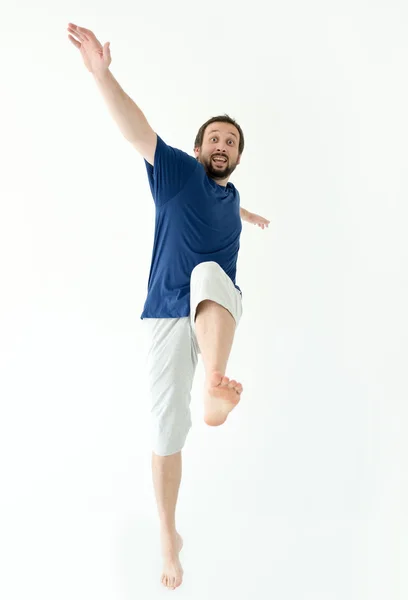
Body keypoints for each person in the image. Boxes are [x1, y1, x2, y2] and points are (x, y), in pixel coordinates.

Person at [68, 22, 270, 591]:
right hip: (163, 313)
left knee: (209, 274)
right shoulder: (178, 173)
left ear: (237, 157)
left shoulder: (230, 199)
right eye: (216, 138)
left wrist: (247, 215)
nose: (223, 146)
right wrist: (103, 77)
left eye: (232, 142)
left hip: (215, 311)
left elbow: (228, 214)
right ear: (200, 145)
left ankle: (214, 384)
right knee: (164, 433)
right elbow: (137, 130)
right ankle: (166, 531)